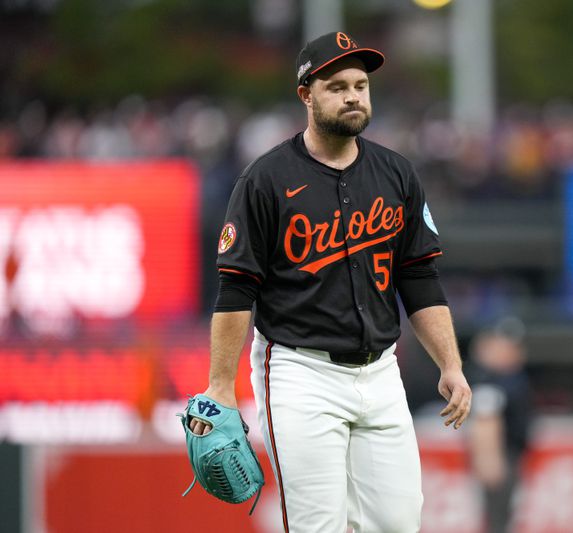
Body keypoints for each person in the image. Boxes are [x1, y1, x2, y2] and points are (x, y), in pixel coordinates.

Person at [189, 31, 472, 532]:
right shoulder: (265, 180)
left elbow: (420, 279)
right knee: (318, 526)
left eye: (361, 85)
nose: (353, 96)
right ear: (307, 94)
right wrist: (220, 386)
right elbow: (236, 289)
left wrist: (450, 363)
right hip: (301, 373)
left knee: (399, 523)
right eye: (337, 86)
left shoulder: (396, 174)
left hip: (381, 372)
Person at [465, 320, 532, 533]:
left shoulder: (507, 377)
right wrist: (488, 457)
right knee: (498, 519)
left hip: (510, 455)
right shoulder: (491, 380)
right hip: (503, 456)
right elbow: (485, 421)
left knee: (502, 517)